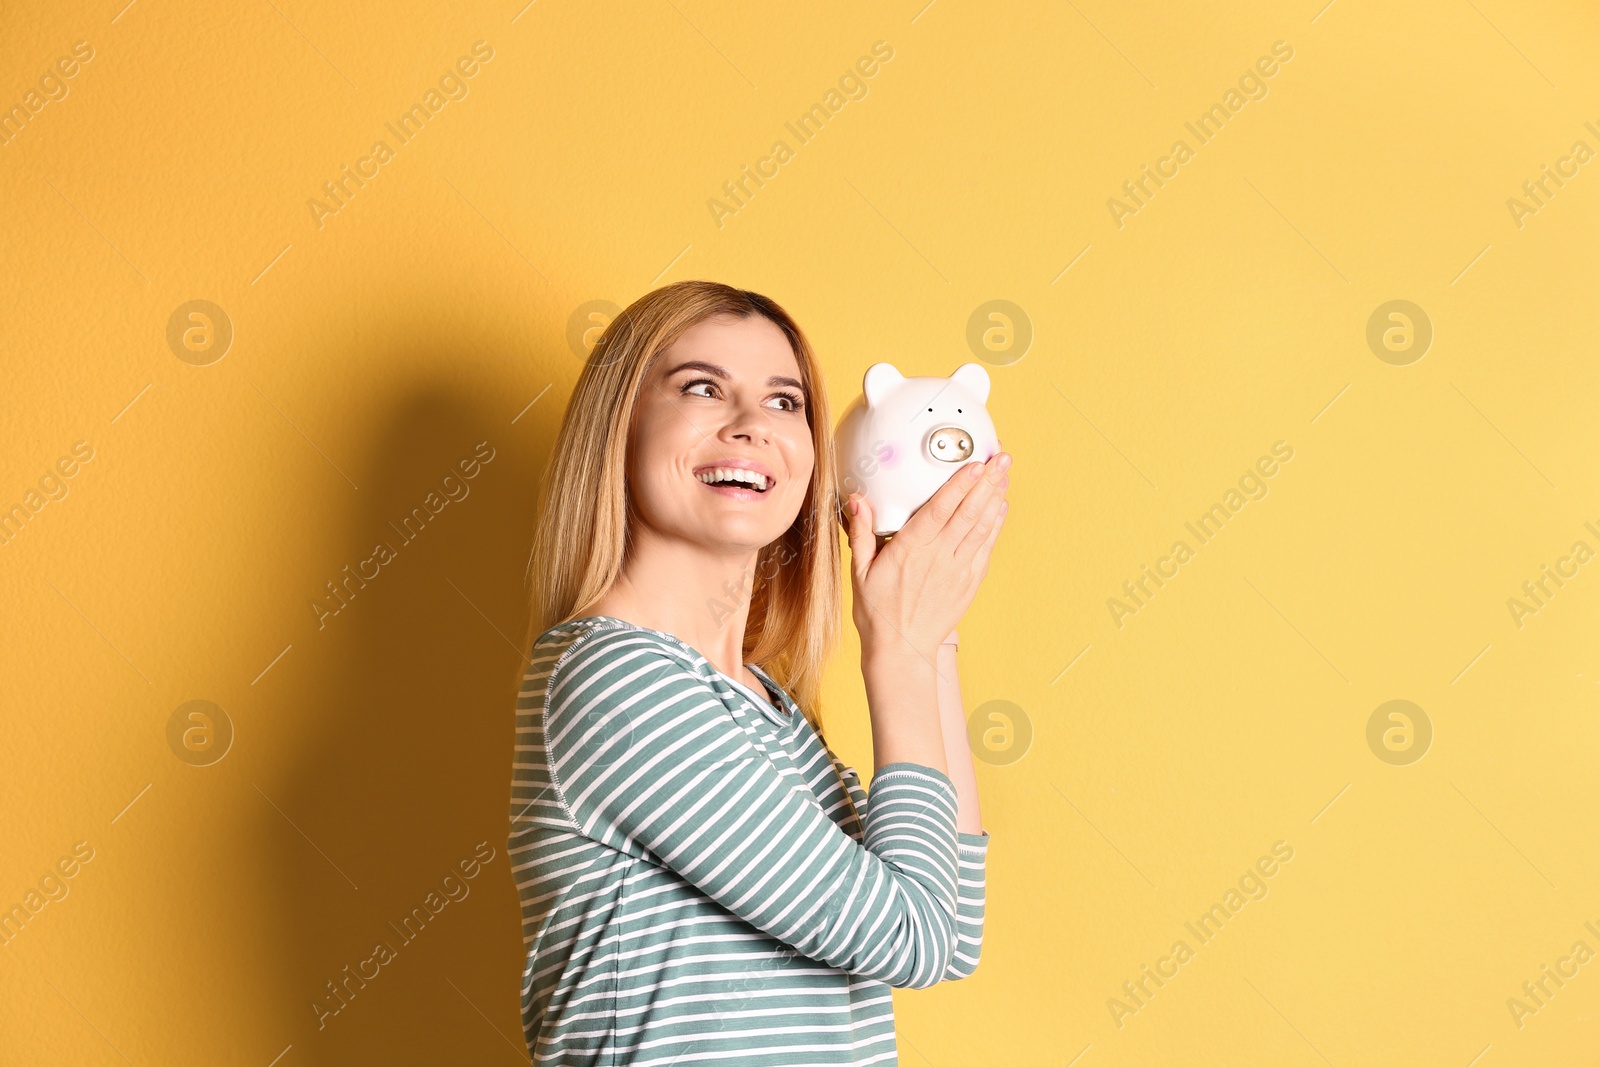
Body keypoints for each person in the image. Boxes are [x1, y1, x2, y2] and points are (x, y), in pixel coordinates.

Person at [507, 280, 1012, 1065]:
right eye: (703, 388)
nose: (751, 426)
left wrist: (931, 633)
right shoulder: (615, 680)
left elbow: (951, 930)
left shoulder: (768, 707)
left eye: (785, 403)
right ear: (621, 425)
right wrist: (900, 651)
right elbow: (909, 937)